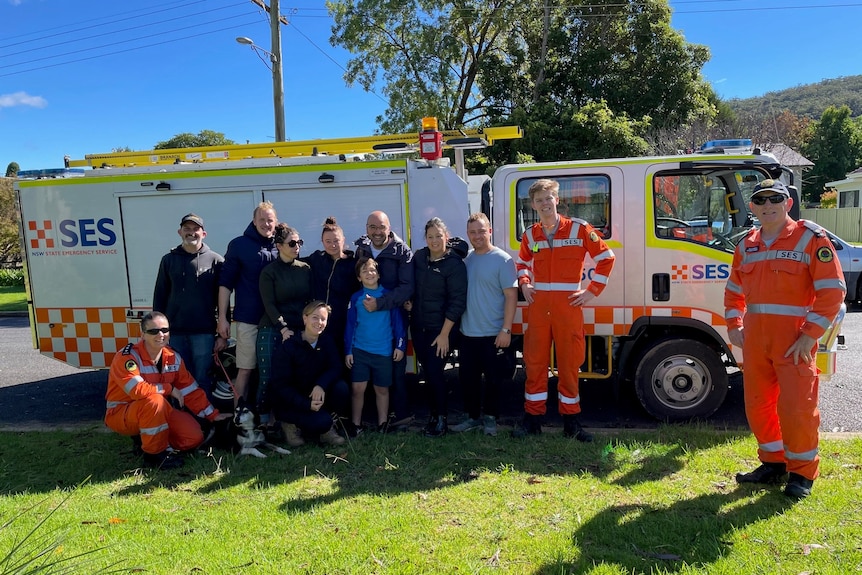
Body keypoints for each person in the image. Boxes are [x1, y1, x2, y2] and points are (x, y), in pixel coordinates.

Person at [725, 179, 845, 499]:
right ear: (752, 207)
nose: (768, 205)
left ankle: (802, 473)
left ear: (787, 203)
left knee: (797, 409)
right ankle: (773, 463)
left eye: (775, 198)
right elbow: (734, 292)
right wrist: (734, 325)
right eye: (760, 200)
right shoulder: (746, 245)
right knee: (757, 406)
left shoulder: (810, 238)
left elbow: (833, 291)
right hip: (755, 341)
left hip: (794, 341)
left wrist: (810, 336)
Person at [515, 178, 615, 441]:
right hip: (538, 309)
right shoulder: (529, 234)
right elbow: (522, 263)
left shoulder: (579, 229)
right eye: (539, 200)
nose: (544, 204)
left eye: (549, 198)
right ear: (533, 204)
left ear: (556, 200)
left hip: (568, 309)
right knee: (534, 364)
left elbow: (606, 258)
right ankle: (532, 420)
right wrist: (524, 284)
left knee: (570, 366)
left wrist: (592, 291)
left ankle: (571, 422)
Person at [104, 312, 231, 470]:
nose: (161, 335)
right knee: (155, 400)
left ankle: (148, 442)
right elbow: (137, 390)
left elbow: (190, 390)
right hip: (122, 413)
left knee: (193, 437)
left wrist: (213, 415)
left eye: (165, 330)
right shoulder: (127, 357)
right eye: (153, 331)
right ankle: (154, 456)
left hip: (157, 411)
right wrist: (168, 388)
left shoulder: (173, 357)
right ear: (142, 334)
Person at [451, 213, 518, 437]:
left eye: (481, 231)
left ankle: (490, 419)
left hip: (494, 334)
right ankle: (472, 417)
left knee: (493, 381)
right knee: (467, 380)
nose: (477, 236)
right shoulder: (466, 261)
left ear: (490, 231)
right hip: (467, 333)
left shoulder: (503, 260)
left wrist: (506, 329)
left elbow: (511, 296)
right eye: (472, 232)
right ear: (467, 234)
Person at [152, 213, 225, 400]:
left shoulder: (216, 261)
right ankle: (182, 421)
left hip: (204, 333)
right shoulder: (168, 260)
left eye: (195, 229)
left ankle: (203, 422)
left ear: (204, 233)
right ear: (180, 232)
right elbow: (160, 296)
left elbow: (223, 301)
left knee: (202, 379)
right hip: (174, 334)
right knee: (177, 380)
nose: (191, 233)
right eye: (187, 229)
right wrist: (157, 332)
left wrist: (221, 335)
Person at [407, 217, 467, 437]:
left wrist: (444, 335)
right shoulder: (420, 257)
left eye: (438, 236)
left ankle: (442, 421)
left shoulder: (454, 264)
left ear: (446, 237)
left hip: (440, 331)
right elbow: (412, 283)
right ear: (425, 238)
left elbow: (457, 302)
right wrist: (409, 300)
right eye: (430, 236)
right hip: (420, 327)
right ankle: (433, 418)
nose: (434, 241)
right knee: (429, 374)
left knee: (435, 373)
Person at [354, 211, 414, 429]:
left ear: (389, 228)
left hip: (393, 316)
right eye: (372, 227)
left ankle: (400, 416)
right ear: (366, 228)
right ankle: (371, 416)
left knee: (395, 368)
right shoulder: (361, 248)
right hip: (367, 319)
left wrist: (380, 303)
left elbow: (407, 287)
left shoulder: (402, 252)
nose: (377, 232)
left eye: (381, 227)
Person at [217, 201, 278, 404]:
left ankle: (271, 421)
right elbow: (225, 285)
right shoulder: (239, 245)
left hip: (275, 322)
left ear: (276, 222)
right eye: (262, 219)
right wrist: (223, 319)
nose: (266, 224)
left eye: (270, 220)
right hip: (248, 320)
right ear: (253, 221)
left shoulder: (281, 246)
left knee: (275, 371)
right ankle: (239, 420)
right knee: (245, 370)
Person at [269, 301, 348, 447]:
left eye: (323, 319)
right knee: (319, 422)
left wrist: (321, 385)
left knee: (341, 388)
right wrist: (306, 404)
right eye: (315, 317)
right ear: (305, 318)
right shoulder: (288, 346)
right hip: (291, 403)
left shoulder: (327, 341)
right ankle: (289, 426)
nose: (319, 322)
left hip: (314, 397)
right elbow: (281, 386)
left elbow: (336, 367)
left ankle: (327, 430)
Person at [344, 257, 407, 435]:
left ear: (378, 274)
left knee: (382, 388)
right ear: (359, 278)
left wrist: (400, 346)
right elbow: (350, 326)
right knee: (358, 389)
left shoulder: (388, 296)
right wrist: (348, 350)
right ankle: (356, 425)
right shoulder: (356, 298)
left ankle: (382, 423)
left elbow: (398, 324)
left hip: (383, 351)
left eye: (372, 270)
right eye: (364, 271)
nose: (369, 274)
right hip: (360, 350)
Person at [257, 223, 312, 423]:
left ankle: (289, 422)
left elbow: (310, 301)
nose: (297, 247)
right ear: (279, 245)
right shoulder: (269, 272)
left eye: (300, 243)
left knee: (295, 378)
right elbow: (269, 304)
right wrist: (283, 328)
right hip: (272, 327)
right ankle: (262, 423)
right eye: (292, 243)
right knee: (267, 378)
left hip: (298, 329)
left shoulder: (305, 269)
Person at [301, 216, 359, 354]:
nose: (332, 245)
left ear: (343, 240)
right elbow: (293, 263)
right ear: (322, 242)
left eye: (336, 241)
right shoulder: (316, 259)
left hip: (343, 324)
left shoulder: (353, 265)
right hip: (318, 324)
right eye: (328, 241)